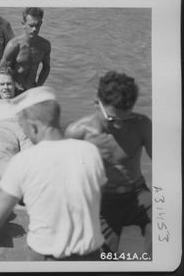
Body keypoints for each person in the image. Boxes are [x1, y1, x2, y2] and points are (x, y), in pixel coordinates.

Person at [0, 86, 107, 261]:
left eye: (24, 127)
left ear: (33, 126)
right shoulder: (90, 151)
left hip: (48, 258)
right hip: (92, 257)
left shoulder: (23, 162)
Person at [65, 71, 152, 256]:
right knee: (104, 259)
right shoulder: (78, 133)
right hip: (103, 202)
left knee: (166, 228)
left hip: (138, 194)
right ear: (97, 102)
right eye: (113, 119)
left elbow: (165, 165)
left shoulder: (142, 124)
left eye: (125, 118)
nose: (120, 125)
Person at [0, 7, 51, 92]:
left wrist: (38, 86)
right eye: (31, 25)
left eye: (37, 25)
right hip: (14, 91)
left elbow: (46, 67)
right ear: (23, 24)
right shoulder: (13, 45)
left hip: (32, 89)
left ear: (41, 23)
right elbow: (2, 71)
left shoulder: (45, 45)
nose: (34, 29)